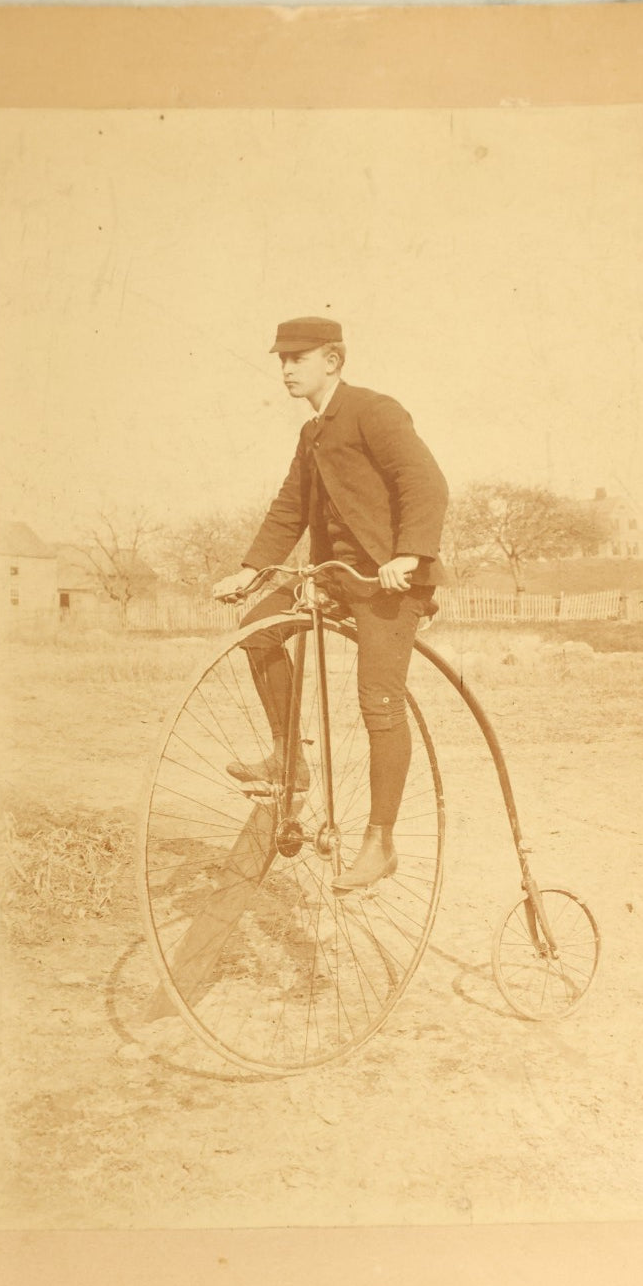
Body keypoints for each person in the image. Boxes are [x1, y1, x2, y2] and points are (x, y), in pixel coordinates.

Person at [213, 316, 449, 892]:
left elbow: (426, 482)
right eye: (282, 361)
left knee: (380, 703)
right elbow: (290, 507)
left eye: (298, 358)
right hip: (337, 577)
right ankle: (289, 759)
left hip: (390, 582)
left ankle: (380, 842)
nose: (287, 369)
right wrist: (251, 569)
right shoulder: (312, 433)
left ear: (333, 360)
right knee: (258, 630)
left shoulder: (374, 411)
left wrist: (409, 555)